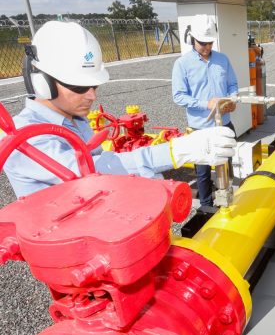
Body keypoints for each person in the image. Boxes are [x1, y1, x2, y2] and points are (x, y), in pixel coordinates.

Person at [3, 21, 236, 198]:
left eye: (94, 85)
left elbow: (105, 164)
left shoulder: (75, 120)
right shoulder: (22, 138)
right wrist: (175, 152)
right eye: (80, 87)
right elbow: (88, 170)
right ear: (40, 81)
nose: (92, 95)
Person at [171, 15, 238, 207]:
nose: (207, 47)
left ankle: (228, 198)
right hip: (200, 127)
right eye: (203, 43)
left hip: (224, 123)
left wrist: (232, 100)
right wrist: (205, 104)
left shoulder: (222, 59)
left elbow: (232, 84)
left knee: (226, 163)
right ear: (192, 38)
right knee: (202, 171)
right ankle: (207, 207)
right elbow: (179, 96)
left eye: (210, 43)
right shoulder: (182, 64)